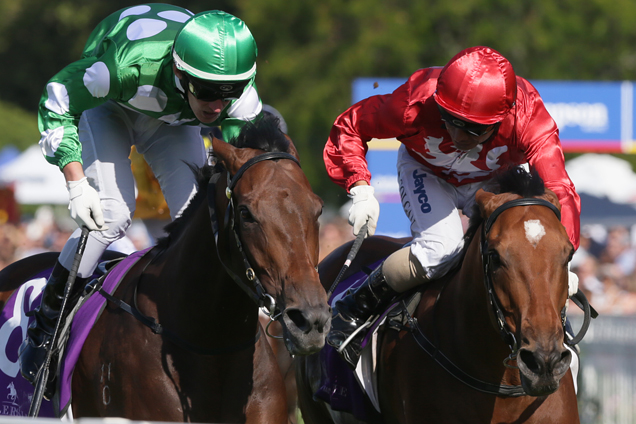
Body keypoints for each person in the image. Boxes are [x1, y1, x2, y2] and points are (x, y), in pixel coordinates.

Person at [19, 4, 263, 389]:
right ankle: (46, 324)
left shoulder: (240, 100)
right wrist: (76, 182)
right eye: (208, 91)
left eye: (228, 92)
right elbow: (57, 101)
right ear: (181, 72)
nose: (217, 105)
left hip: (172, 117)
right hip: (109, 104)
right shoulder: (125, 66)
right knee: (113, 214)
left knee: (204, 221)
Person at [323, 46, 581, 368]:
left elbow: (559, 190)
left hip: (496, 179)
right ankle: (357, 304)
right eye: (450, 120)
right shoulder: (413, 103)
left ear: (504, 115)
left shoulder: (528, 116)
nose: (458, 135)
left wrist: (565, 255)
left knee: (528, 248)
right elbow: (350, 125)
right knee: (440, 249)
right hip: (427, 171)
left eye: (473, 128)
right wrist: (360, 187)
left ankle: (550, 325)